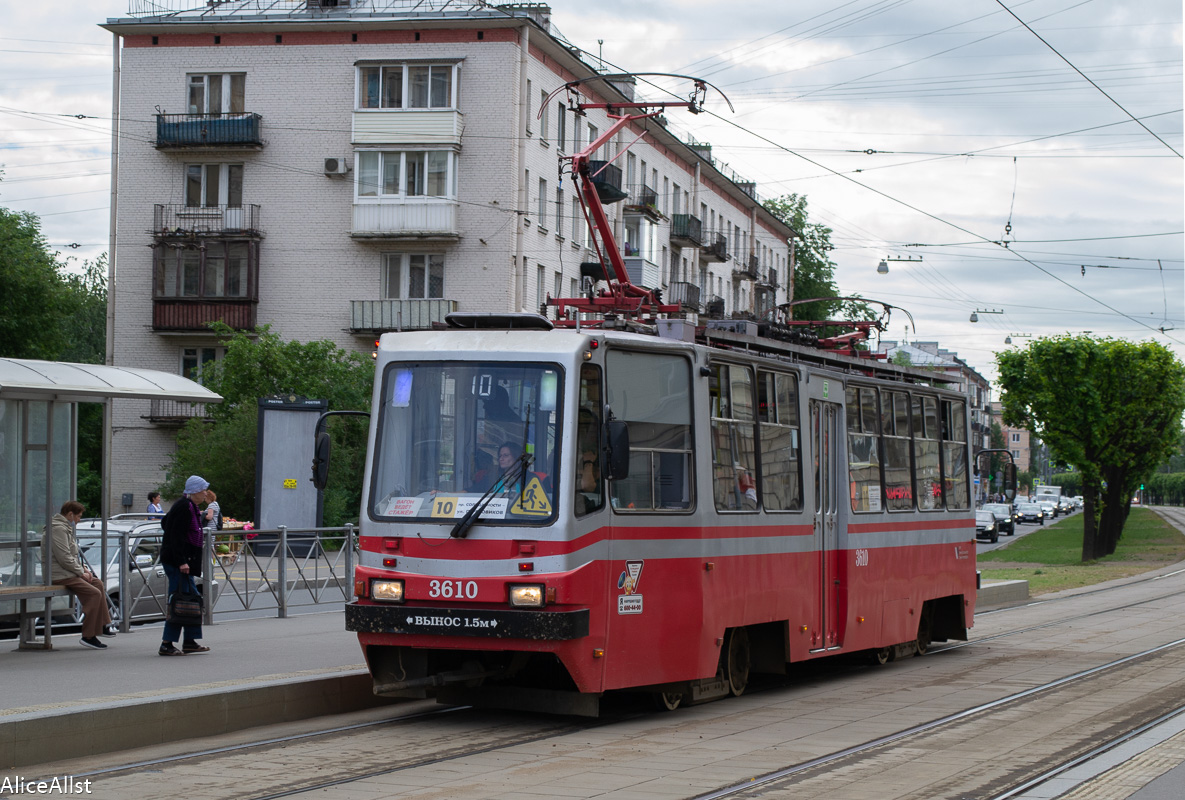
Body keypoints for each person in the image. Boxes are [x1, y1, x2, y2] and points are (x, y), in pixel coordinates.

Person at [49, 500, 115, 649]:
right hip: (60, 575)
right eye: (78, 516)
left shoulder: (64, 528)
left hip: (68, 572)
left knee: (98, 584)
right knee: (94, 593)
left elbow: (71, 555)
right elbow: (64, 557)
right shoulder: (58, 529)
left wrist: (84, 569)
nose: (79, 520)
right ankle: (88, 636)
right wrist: (80, 572)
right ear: (70, 514)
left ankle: (103, 624)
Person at [159, 475, 212, 656]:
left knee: (191, 599)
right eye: (203, 490)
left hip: (183, 561)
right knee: (179, 600)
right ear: (195, 491)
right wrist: (181, 560)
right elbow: (176, 535)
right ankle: (167, 643)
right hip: (177, 562)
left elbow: (166, 523)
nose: (205, 493)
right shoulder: (184, 507)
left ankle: (190, 641)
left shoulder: (189, 506)